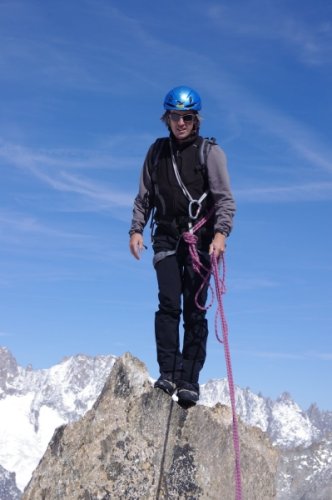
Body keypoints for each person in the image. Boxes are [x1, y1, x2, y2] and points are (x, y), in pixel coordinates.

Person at [129, 85, 236, 405]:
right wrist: (136, 229)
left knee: (195, 309)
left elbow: (224, 199)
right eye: (175, 116)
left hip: (200, 241)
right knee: (168, 305)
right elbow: (144, 196)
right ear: (167, 118)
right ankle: (169, 373)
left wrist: (221, 234)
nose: (181, 123)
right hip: (164, 237)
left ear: (195, 119)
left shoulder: (210, 153)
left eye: (187, 117)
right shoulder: (156, 152)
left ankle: (189, 380)